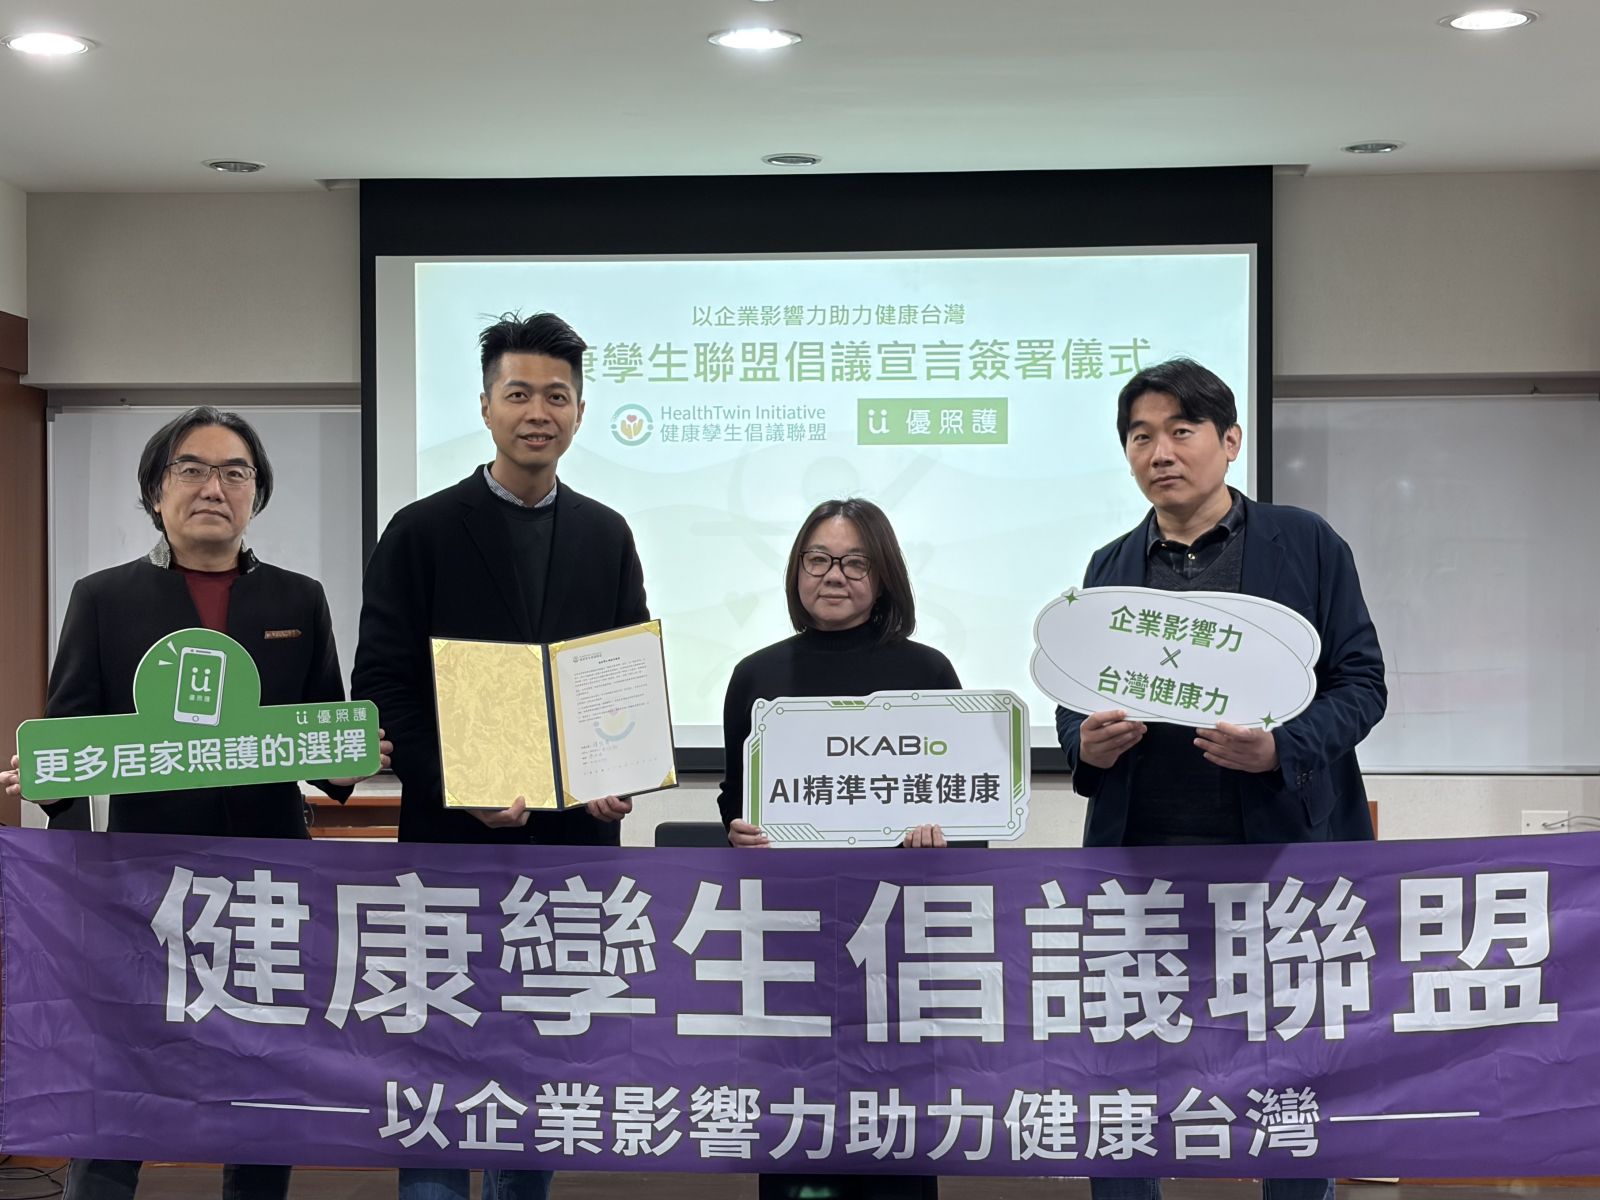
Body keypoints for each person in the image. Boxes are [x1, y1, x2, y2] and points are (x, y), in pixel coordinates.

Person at [2, 406, 389, 1200]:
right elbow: (72, 734)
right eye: (193, 469)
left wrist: (356, 755)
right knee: (122, 1090)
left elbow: (325, 747)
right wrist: (49, 780)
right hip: (140, 891)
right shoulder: (103, 598)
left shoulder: (299, 600)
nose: (215, 487)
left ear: (256, 495)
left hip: (267, 888)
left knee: (260, 1089)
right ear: (156, 492)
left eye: (235, 472)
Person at [1055, 358, 1387, 1200]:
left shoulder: (1304, 543)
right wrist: (1084, 746)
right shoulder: (1109, 566)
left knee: (1289, 1076)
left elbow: (1362, 682)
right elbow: (1072, 699)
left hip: (1274, 859)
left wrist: (1284, 749)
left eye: (1181, 430)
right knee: (1126, 1074)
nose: (1160, 452)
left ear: (1230, 441)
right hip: (1142, 867)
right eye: (1140, 436)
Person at [353, 311, 644, 1200]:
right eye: (519, 393)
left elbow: (621, 680)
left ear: (580, 412)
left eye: (556, 396)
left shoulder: (607, 533)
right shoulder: (421, 530)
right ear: (484, 406)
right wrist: (461, 786)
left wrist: (616, 778)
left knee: (536, 1072)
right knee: (439, 1061)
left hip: (568, 859)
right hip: (451, 851)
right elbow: (384, 685)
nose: (537, 412)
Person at [721, 497, 956, 1200]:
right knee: (795, 1126)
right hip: (791, 937)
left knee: (896, 1132)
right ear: (797, 571)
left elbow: (965, 811)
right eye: (818, 559)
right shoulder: (756, 675)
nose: (834, 575)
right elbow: (736, 798)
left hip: (897, 940)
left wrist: (937, 836)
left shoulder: (929, 673)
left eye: (856, 563)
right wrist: (738, 831)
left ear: (884, 577)